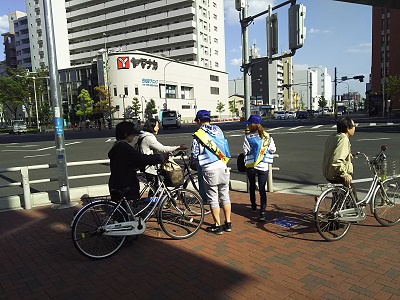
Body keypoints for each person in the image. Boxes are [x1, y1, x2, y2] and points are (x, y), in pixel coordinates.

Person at [191, 110, 232, 235]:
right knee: (225, 195)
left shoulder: (198, 135)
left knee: (213, 198)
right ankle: (228, 223)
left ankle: (217, 226)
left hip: (209, 169)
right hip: (223, 165)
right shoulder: (218, 130)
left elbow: (194, 154)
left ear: (198, 121)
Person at [108, 121, 167, 201]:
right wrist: (159, 157)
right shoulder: (125, 148)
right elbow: (141, 159)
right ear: (126, 134)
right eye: (132, 134)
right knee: (131, 210)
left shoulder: (116, 146)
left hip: (115, 183)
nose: (134, 136)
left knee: (120, 210)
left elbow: (130, 162)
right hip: (126, 185)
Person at [243, 114, 276, 221]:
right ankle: (262, 211)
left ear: (253, 124)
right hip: (264, 165)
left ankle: (253, 206)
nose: (248, 126)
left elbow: (245, 151)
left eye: (249, 124)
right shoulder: (267, 136)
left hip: (252, 165)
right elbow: (273, 150)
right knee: (262, 189)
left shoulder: (248, 137)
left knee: (252, 186)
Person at [138, 118, 187, 183]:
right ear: (151, 126)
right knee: (163, 182)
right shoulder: (148, 138)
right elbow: (162, 149)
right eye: (157, 126)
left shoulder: (145, 136)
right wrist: (178, 147)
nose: (158, 128)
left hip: (148, 165)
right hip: (149, 167)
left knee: (156, 187)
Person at [322, 116, 357, 200]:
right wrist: (345, 174)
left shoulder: (333, 137)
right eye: (354, 126)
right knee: (353, 198)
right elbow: (337, 160)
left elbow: (332, 152)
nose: (355, 128)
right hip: (337, 174)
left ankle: (335, 210)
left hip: (328, 172)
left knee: (338, 198)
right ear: (348, 129)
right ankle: (353, 211)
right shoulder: (344, 139)